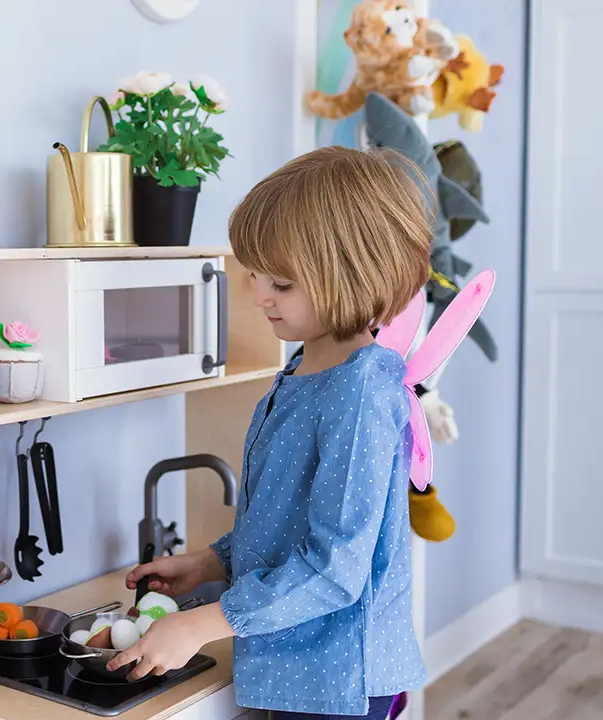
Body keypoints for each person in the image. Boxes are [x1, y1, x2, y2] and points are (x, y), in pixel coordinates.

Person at [105, 145, 432, 719]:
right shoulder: (306, 368)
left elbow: (335, 568)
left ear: (353, 277)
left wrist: (205, 623)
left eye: (281, 284)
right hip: (303, 667)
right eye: (254, 274)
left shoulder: (358, 394)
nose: (259, 296)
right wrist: (210, 563)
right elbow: (286, 519)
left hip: (339, 681)